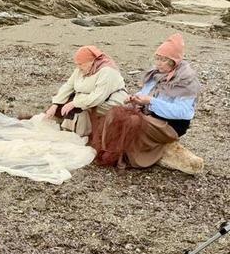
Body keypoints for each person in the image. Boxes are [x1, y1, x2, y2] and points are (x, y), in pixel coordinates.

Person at [92, 33, 203, 173]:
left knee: (131, 121)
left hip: (171, 125)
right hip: (150, 115)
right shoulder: (157, 73)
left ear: (174, 61)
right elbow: (145, 93)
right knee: (115, 113)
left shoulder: (186, 81)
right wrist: (136, 98)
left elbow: (184, 113)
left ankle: (129, 159)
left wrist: (151, 101)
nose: (158, 63)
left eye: (163, 60)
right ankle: (111, 152)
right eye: (157, 58)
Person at [45, 45, 128, 137]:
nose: (78, 67)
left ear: (92, 62)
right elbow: (68, 86)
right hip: (85, 98)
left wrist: (75, 103)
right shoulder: (80, 70)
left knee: (78, 110)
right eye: (77, 64)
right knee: (61, 106)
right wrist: (55, 104)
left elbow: (98, 97)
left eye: (81, 64)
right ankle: (59, 132)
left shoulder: (107, 71)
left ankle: (79, 137)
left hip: (109, 104)